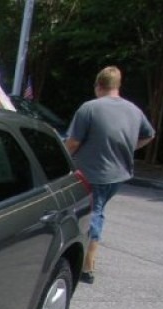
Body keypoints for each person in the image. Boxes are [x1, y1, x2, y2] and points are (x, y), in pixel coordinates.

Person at [65, 66, 155, 284]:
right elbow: (149, 135)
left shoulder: (90, 108)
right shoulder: (134, 110)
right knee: (98, 209)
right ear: (117, 86)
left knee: (94, 212)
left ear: (98, 86)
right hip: (119, 174)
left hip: (92, 173)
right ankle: (84, 254)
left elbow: (73, 142)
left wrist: (62, 159)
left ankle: (87, 265)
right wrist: (126, 147)